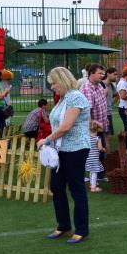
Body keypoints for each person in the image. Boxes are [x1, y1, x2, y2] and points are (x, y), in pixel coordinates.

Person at [37, 67, 91, 244]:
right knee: (57, 187)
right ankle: (63, 225)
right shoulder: (63, 99)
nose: (52, 87)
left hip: (76, 149)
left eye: (53, 83)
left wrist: (46, 140)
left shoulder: (75, 97)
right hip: (61, 150)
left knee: (76, 189)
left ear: (62, 80)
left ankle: (81, 229)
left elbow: (66, 126)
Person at [80, 64, 108, 180]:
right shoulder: (87, 88)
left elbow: (102, 105)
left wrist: (105, 121)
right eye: (100, 73)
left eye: (103, 73)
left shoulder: (99, 85)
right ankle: (86, 176)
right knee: (90, 153)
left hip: (99, 127)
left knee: (100, 151)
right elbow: (87, 113)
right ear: (91, 73)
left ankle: (100, 175)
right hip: (92, 130)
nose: (102, 75)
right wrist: (93, 131)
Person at [86, 120, 105, 192]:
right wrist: (103, 149)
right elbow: (100, 148)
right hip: (94, 158)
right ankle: (93, 187)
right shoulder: (97, 138)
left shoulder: (87, 138)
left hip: (88, 157)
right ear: (97, 129)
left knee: (91, 171)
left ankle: (91, 183)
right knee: (94, 172)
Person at [103, 67, 119, 153]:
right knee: (104, 136)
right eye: (114, 74)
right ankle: (106, 156)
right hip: (102, 114)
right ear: (108, 74)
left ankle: (107, 155)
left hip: (109, 113)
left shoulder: (112, 86)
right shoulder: (101, 84)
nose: (116, 77)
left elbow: (117, 95)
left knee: (108, 136)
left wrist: (111, 103)